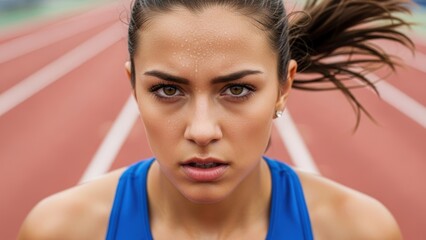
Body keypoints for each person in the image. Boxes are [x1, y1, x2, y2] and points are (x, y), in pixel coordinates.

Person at [18, 0, 413, 239]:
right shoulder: (60, 231)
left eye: (237, 89)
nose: (202, 130)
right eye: (168, 90)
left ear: (283, 86)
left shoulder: (359, 231)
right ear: (134, 86)